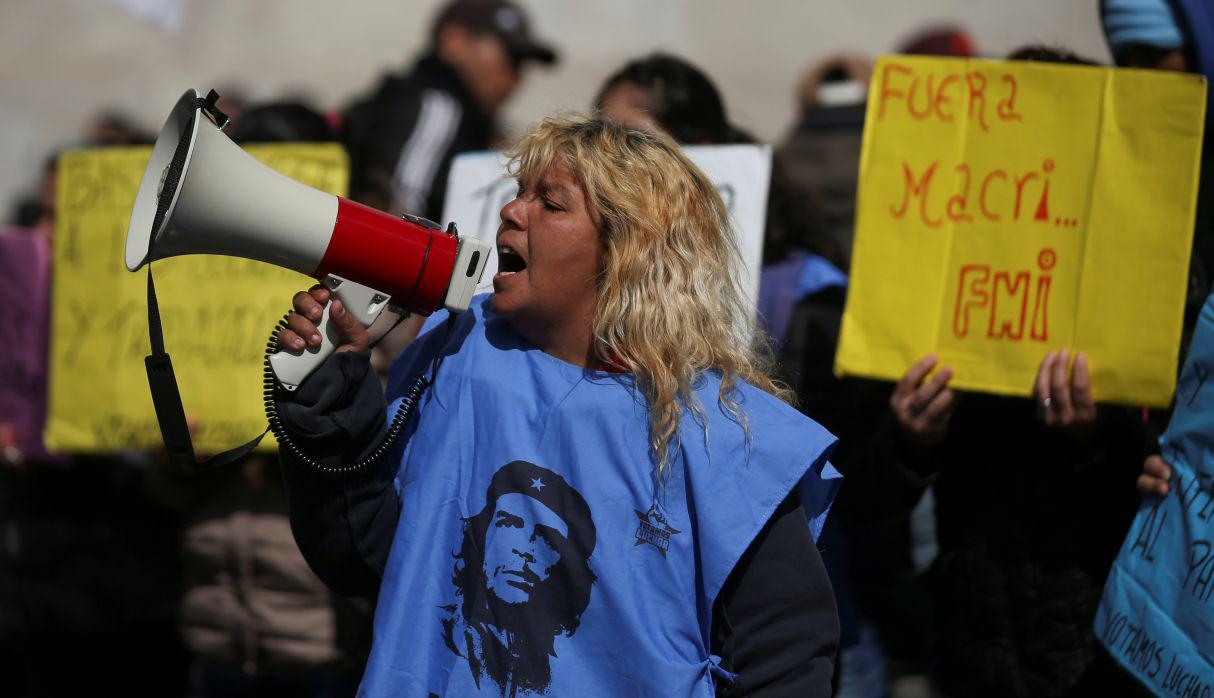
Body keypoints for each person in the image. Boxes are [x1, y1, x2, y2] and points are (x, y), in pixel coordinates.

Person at [271, 114, 841, 696]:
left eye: (551, 203)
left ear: (628, 251)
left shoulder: (726, 434)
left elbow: (784, 658)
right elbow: (365, 559)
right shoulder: (456, 353)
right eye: (519, 193)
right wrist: (330, 407)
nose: (511, 212)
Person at [341, 0, 557, 221]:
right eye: (512, 58)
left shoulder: (466, 121)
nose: (516, 78)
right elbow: (395, 218)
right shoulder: (437, 108)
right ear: (453, 41)